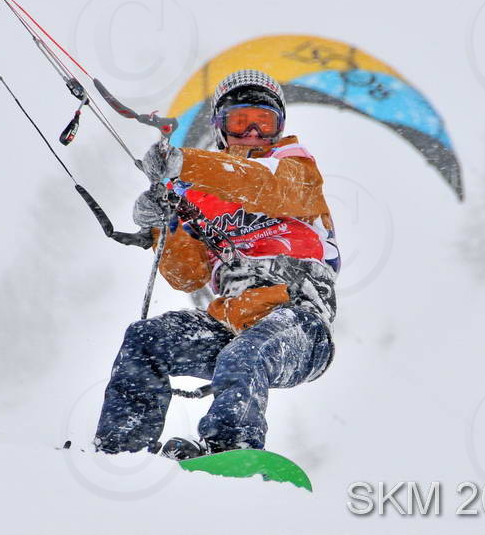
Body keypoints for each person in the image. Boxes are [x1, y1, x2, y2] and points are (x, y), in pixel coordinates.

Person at [93, 69, 340, 459]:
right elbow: (185, 275)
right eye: (240, 122)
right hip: (231, 324)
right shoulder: (200, 192)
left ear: (280, 127)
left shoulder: (294, 167)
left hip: (299, 325)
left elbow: (264, 186)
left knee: (246, 355)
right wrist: (163, 223)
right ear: (221, 128)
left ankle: (231, 450)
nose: (253, 133)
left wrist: (183, 164)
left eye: (264, 122)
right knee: (146, 339)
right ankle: (121, 449)